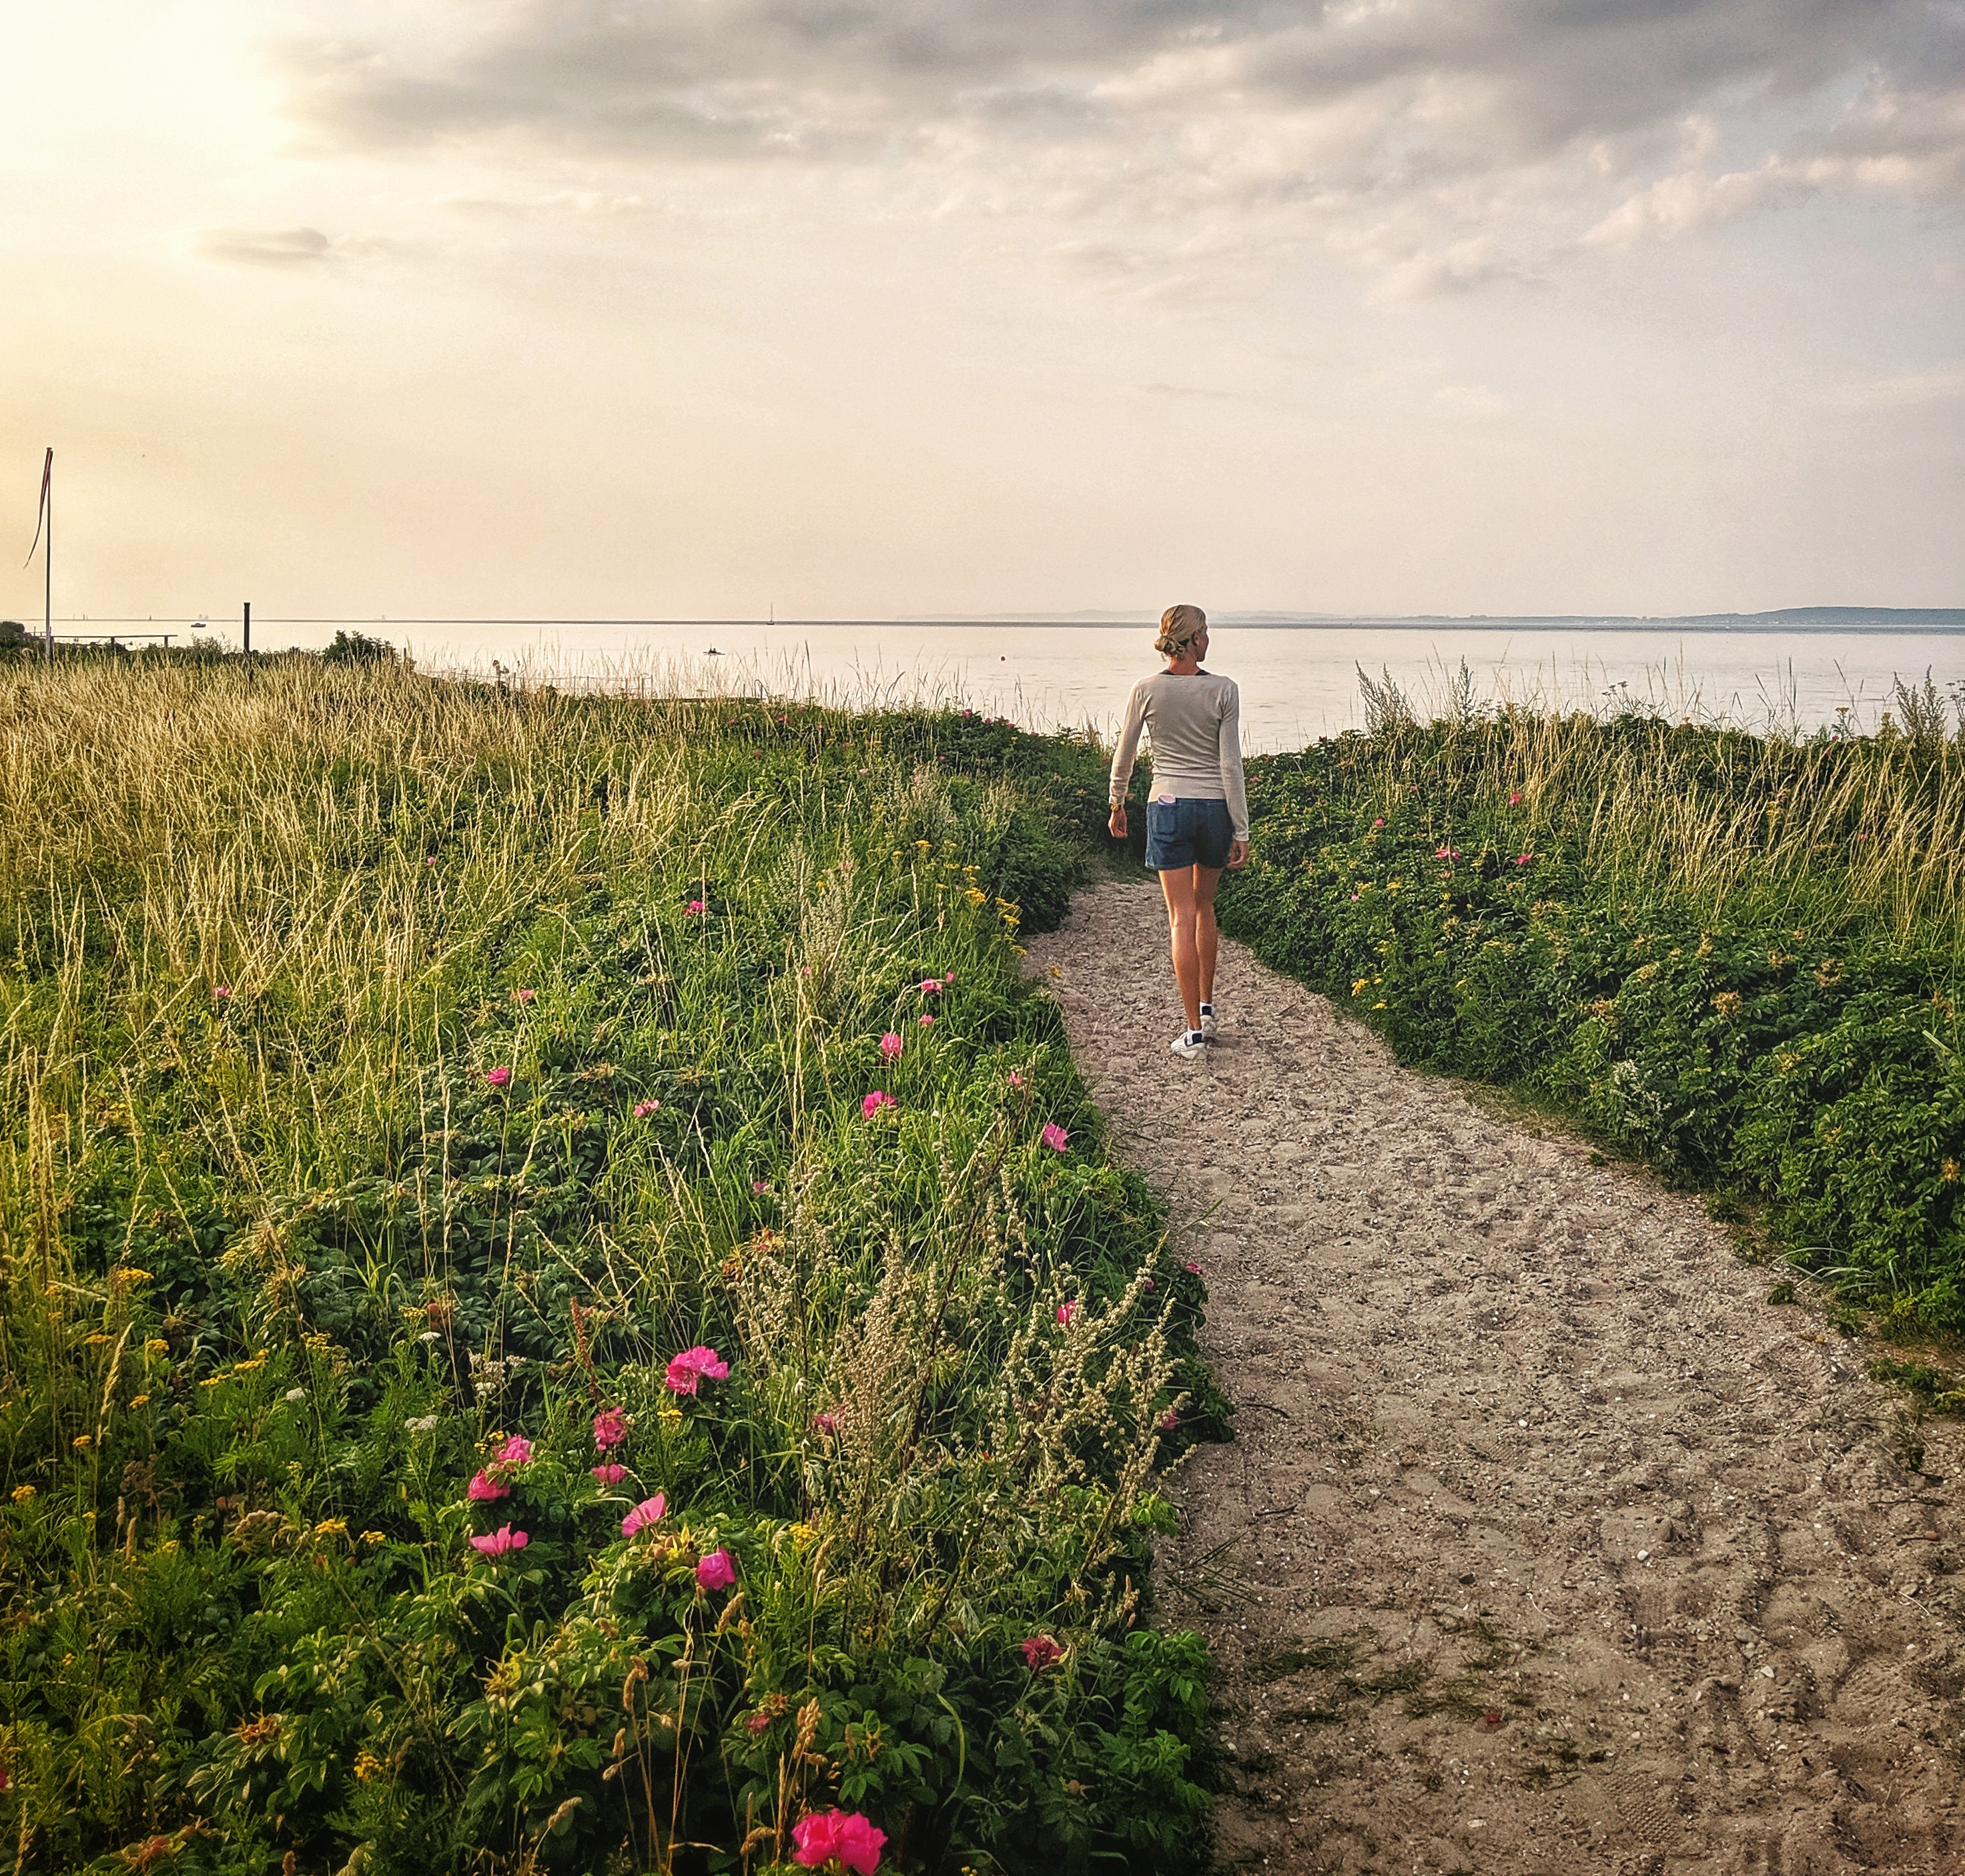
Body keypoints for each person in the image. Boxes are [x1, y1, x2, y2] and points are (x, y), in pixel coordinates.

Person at [1107, 604, 1250, 1058]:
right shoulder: (1223, 690)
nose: (1208, 638)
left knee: (1179, 917)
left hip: (1167, 804)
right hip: (1212, 810)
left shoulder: (1146, 690)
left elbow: (1124, 752)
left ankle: (1192, 1032)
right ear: (1193, 641)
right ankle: (1206, 1010)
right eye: (1204, 632)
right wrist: (1241, 826)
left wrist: (1116, 801)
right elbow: (1229, 763)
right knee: (1204, 905)